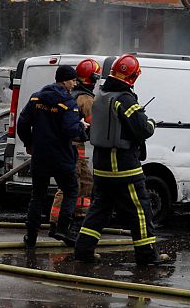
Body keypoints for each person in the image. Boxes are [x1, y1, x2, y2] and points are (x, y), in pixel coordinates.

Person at [74, 54, 170, 265]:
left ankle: (83, 249)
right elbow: (142, 128)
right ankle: (147, 255)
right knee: (140, 209)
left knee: (99, 209)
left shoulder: (100, 95)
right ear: (133, 77)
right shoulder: (124, 99)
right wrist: (151, 122)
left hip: (101, 166)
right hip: (124, 167)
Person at [15, 65, 87, 248]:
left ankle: (31, 237)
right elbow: (71, 130)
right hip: (61, 156)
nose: (74, 84)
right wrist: (82, 127)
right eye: (72, 80)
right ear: (64, 80)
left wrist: (29, 144)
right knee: (71, 190)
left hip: (40, 156)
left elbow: (22, 124)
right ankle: (63, 229)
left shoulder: (36, 97)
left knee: (37, 195)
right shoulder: (67, 103)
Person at [49, 59, 100, 239]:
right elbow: (95, 124)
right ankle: (57, 224)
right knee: (70, 185)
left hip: (76, 147)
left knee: (86, 183)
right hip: (73, 147)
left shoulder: (75, 95)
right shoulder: (85, 99)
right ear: (92, 78)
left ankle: (78, 220)